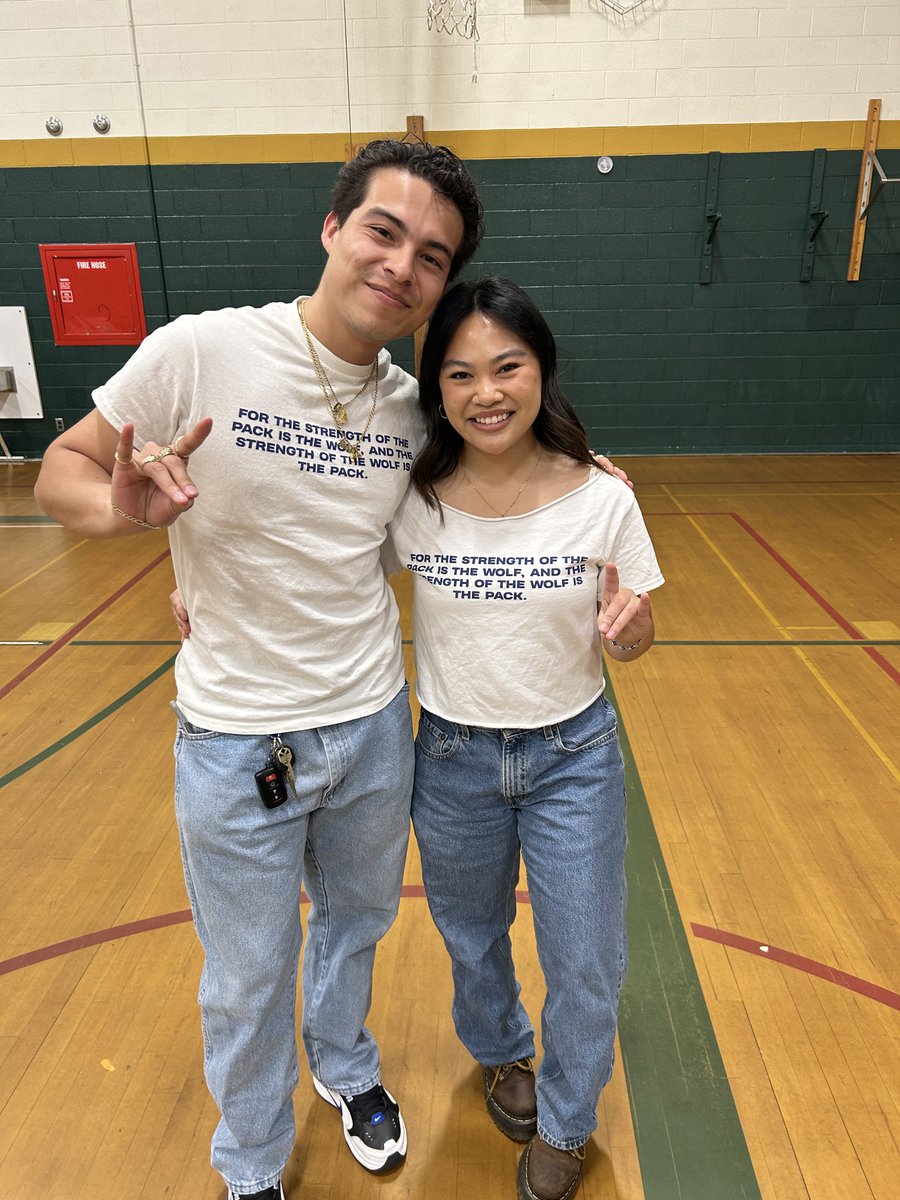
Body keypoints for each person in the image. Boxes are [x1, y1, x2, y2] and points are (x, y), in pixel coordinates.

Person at [33, 139, 486, 1200]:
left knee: (357, 925)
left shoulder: (410, 412)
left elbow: (438, 524)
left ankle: (345, 1066)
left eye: (431, 254)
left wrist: (576, 471)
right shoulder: (202, 351)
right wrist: (120, 509)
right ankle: (249, 1162)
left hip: (373, 726)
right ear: (334, 228)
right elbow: (64, 466)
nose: (400, 265)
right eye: (384, 230)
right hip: (239, 740)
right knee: (245, 975)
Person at [386, 276, 665, 1200]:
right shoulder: (413, 499)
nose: (486, 392)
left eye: (508, 366)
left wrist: (631, 633)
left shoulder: (601, 498)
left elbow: (638, 621)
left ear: (542, 369)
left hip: (572, 758)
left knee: (586, 954)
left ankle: (569, 1117)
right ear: (438, 391)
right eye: (460, 374)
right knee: (471, 935)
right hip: (453, 755)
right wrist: (202, 589)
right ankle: (504, 1052)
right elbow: (319, 558)